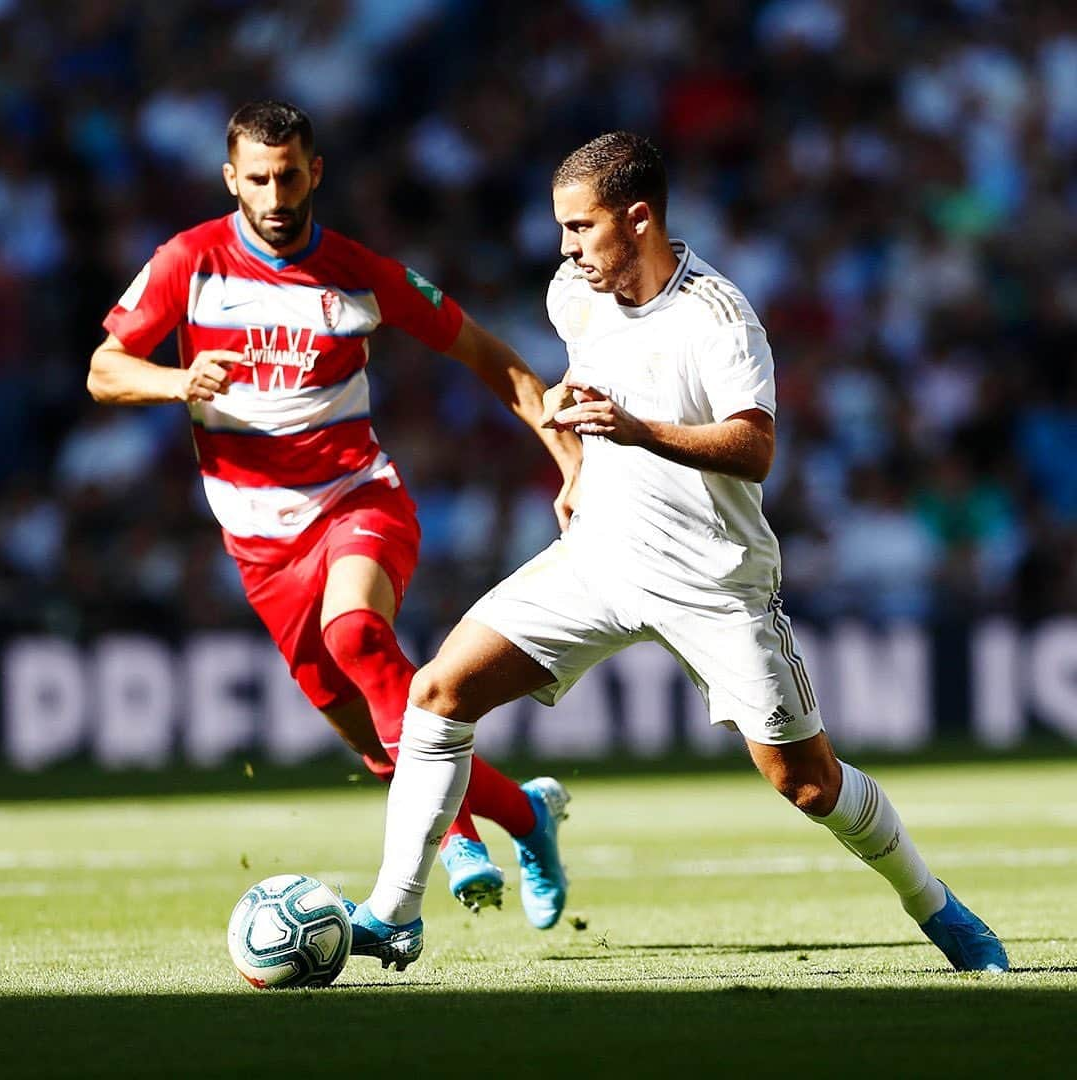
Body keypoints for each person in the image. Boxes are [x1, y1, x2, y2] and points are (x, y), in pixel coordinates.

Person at [344, 131, 1009, 975]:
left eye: (581, 228)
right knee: (439, 692)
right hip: (599, 557)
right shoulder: (571, 296)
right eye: (562, 229)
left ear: (640, 218)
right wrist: (581, 456)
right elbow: (582, 384)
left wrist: (637, 432)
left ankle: (934, 904)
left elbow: (756, 449)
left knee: (808, 784)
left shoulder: (719, 318)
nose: (565, 247)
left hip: (712, 580)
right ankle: (394, 912)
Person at [87, 100, 581, 931]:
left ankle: (454, 844)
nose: (275, 196)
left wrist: (567, 457)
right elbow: (105, 369)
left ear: (315, 172)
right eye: (257, 179)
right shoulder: (188, 262)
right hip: (259, 544)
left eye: (289, 176)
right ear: (230, 180)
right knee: (376, 741)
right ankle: (527, 816)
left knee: (357, 637)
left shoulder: (360, 274)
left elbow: (484, 353)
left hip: (358, 501)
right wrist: (179, 382)